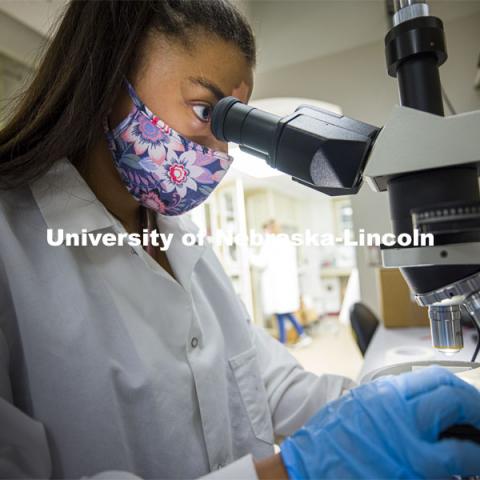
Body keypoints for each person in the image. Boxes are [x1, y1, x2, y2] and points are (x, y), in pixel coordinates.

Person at [0, 1, 479, 479]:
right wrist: (297, 470)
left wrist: (395, 407)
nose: (220, 152)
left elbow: (271, 386)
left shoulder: (185, 245)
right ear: (108, 78)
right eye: (205, 110)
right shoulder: (11, 248)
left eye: (232, 123)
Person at [250, 219, 312, 347]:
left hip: (276, 285)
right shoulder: (286, 241)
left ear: (269, 229)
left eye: (265, 229)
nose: (264, 232)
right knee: (283, 313)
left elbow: (261, 262)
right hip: (284, 284)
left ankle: (289, 339)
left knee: (281, 313)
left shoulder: (270, 243)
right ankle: (293, 338)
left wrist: (247, 254)